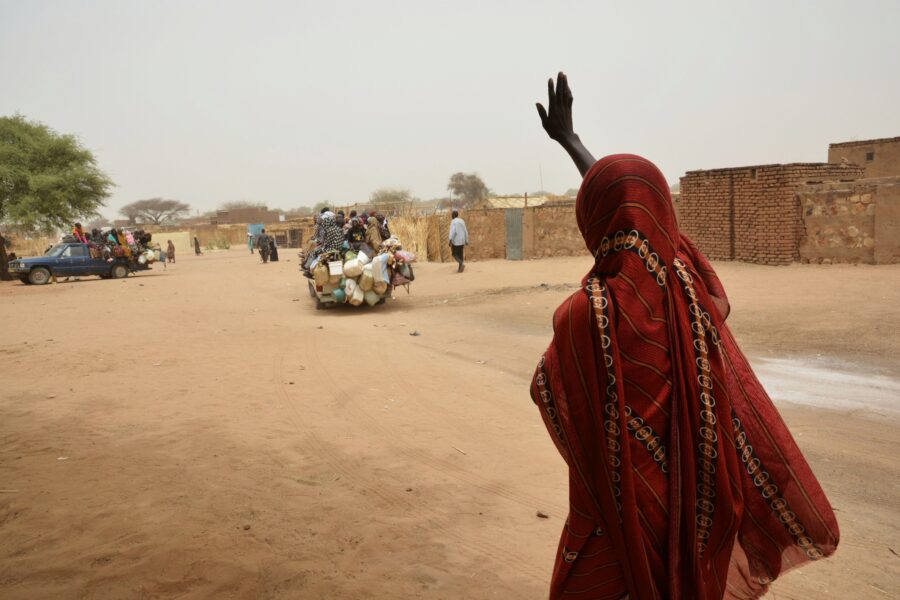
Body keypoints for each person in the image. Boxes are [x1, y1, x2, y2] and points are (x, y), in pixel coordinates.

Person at [530, 73, 837, 600]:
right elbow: (630, 201)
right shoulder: (688, 290)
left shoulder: (585, 313)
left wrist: (569, 141)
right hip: (699, 517)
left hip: (613, 524)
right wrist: (574, 142)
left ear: (591, 218)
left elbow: (550, 390)